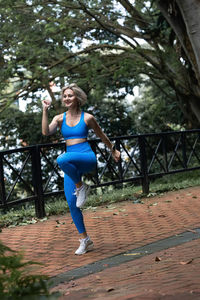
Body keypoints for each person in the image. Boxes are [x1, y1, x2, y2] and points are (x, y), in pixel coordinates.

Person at [42, 83, 120, 255]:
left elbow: (102, 136)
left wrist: (113, 150)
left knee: (61, 159)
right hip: (71, 164)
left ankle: (81, 186)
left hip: (86, 157)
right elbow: (46, 132)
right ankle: (85, 240)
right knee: (72, 203)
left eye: (70, 95)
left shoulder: (88, 118)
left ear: (77, 97)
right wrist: (45, 111)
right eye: (65, 96)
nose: (67, 98)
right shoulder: (59, 118)